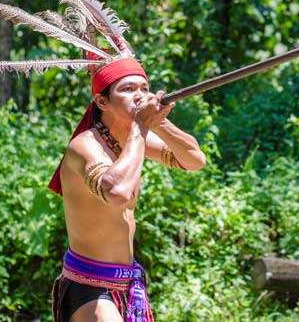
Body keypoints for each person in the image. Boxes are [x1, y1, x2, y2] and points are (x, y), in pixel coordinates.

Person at [48, 58, 206, 322]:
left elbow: (194, 160)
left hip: (128, 284)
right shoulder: (85, 147)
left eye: (144, 89)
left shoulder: (135, 137)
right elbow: (117, 193)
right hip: (89, 285)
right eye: (128, 89)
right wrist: (141, 127)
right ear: (102, 102)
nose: (140, 96)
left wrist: (158, 123)